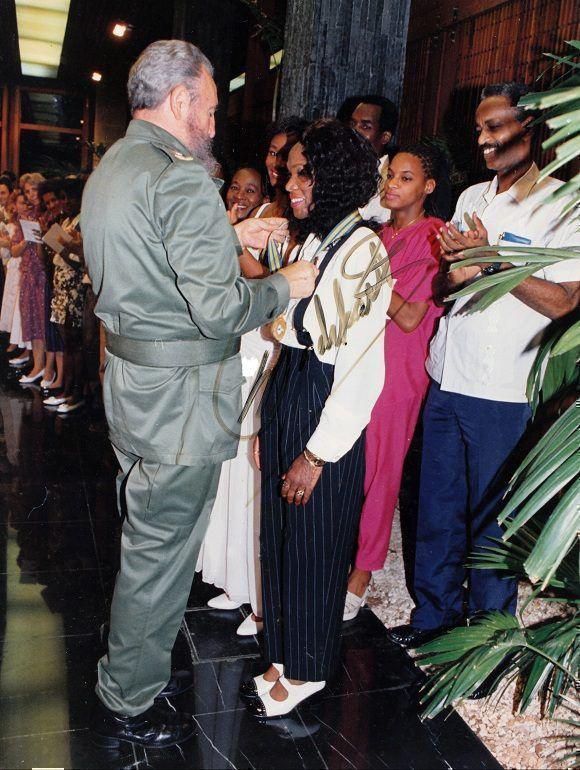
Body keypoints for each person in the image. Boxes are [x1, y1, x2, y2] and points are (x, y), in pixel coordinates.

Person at [81, 40, 316, 749]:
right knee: (162, 551)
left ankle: (133, 650)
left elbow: (152, 259)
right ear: (181, 100)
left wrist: (230, 234)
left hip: (133, 382)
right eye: (210, 109)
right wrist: (284, 286)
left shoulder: (118, 166)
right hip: (179, 397)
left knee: (146, 532)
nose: (214, 125)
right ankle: (129, 693)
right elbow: (217, 309)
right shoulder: (180, 177)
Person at [387, 82, 580, 649]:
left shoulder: (561, 205)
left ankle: (487, 641)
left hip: (504, 387)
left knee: (492, 520)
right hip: (450, 376)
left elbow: (567, 301)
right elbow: (447, 287)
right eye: (478, 129)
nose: (484, 140)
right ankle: (432, 621)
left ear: (531, 128)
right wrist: (458, 273)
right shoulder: (471, 197)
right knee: (437, 506)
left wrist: (494, 262)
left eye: (495, 127)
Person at [242, 119, 393, 718]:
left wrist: (316, 453)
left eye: (305, 171)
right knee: (278, 534)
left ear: (334, 177)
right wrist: (263, 421)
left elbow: (359, 368)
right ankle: (282, 649)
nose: (291, 180)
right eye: (293, 169)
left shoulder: (364, 248)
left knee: (315, 541)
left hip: (327, 402)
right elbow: (283, 330)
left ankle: (308, 666)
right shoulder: (313, 241)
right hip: (290, 390)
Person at [198, 125, 305, 634]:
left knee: (256, 469)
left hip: (269, 342)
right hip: (243, 337)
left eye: (287, 157)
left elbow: (272, 283)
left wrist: (227, 239)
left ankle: (263, 600)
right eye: (271, 152)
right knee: (235, 468)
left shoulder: (293, 219)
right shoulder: (262, 212)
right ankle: (236, 581)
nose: (277, 163)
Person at [344, 144, 450, 620]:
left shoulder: (436, 238)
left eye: (405, 178)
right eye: (390, 174)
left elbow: (409, 316)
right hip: (357, 363)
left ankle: (363, 573)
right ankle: (344, 554)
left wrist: (368, 278)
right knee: (350, 464)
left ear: (428, 187)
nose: (391, 183)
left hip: (399, 372)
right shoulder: (379, 235)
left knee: (381, 472)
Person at [345, 95, 399, 224]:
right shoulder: (342, 170)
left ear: (385, 137)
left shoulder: (391, 182)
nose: (353, 132)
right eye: (352, 124)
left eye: (365, 127)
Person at [15, 173, 47, 384]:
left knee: (42, 321)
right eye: (27, 191)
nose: (31, 195)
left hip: (41, 273)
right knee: (31, 319)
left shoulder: (44, 214)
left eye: (34, 190)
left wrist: (38, 238)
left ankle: (42, 365)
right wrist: (28, 239)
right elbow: (16, 248)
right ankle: (37, 365)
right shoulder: (27, 216)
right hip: (27, 271)